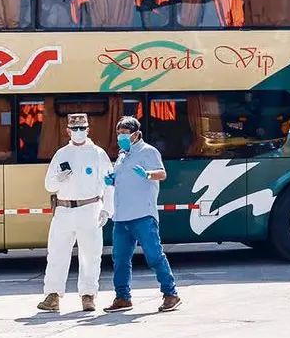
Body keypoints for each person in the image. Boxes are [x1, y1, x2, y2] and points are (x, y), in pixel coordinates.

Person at [102, 116, 182, 313]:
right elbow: (122, 180)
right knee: (120, 260)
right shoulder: (122, 156)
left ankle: (171, 293)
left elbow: (162, 174)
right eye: (119, 133)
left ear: (136, 134)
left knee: (154, 256)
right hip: (121, 217)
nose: (121, 137)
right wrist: (112, 180)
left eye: (125, 134)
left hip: (143, 215)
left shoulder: (148, 151)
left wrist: (147, 174)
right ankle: (122, 297)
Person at [37, 113, 114, 313]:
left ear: (88, 130)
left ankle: (88, 295)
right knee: (56, 253)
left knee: (91, 254)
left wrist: (107, 209)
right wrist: (60, 178)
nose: (78, 132)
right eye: (75, 129)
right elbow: (48, 185)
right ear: (68, 131)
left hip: (90, 207)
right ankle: (53, 295)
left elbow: (109, 183)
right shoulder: (61, 154)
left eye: (82, 128)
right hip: (63, 209)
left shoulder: (98, 153)